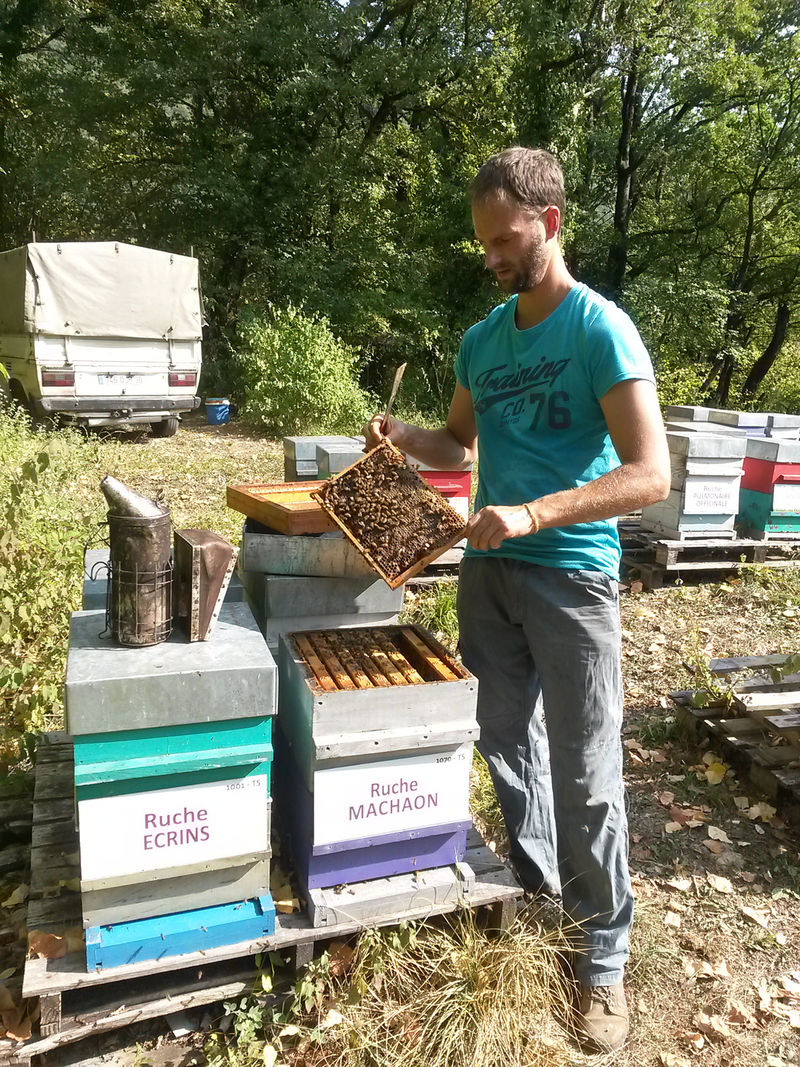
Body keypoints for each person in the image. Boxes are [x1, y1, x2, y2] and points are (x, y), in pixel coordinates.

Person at [363, 146, 670, 1053]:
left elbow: (651, 473)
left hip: (572, 577)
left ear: (551, 222)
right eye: (483, 243)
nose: (493, 256)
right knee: (505, 742)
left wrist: (536, 510)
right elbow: (458, 445)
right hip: (488, 578)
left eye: (506, 238)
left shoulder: (598, 329)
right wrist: (399, 435)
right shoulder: (481, 339)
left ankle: (604, 960)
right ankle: (540, 892)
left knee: (586, 774)